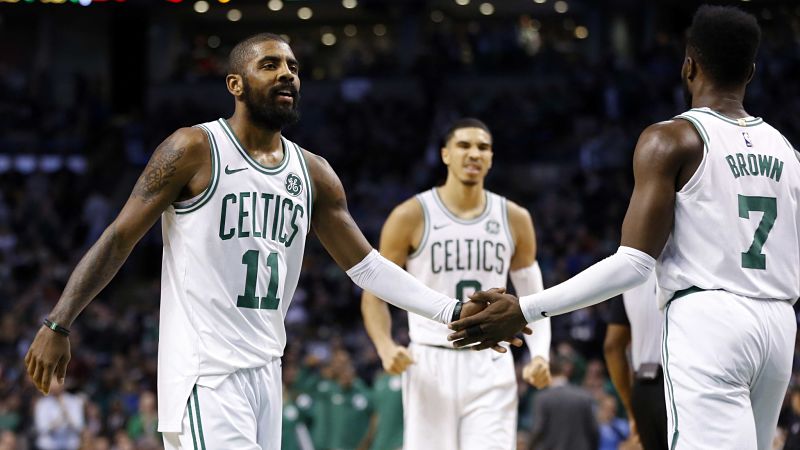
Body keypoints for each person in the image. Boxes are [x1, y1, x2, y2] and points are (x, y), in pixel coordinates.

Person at [23, 33, 507, 450]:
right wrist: (58, 322)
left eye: (293, 67)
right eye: (270, 65)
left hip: (267, 372)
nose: (286, 75)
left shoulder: (314, 173)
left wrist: (452, 310)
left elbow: (368, 267)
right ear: (235, 84)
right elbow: (119, 237)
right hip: (206, 375)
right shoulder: (193, 148)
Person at [449, 6, 799, 449]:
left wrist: (526, 309)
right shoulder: (788, 152)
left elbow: (634, 264)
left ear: (688, 65)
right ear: (750, 72)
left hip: (711, 318)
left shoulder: (672, 138)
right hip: (779, 325)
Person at [361, 118, 552, 449]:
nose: (474, 153)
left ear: (491, 158)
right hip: (430, 360)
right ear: (445, 154)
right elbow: (375, 291)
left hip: (491, 359)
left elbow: (534, 295)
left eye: (483, 147)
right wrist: (385, 346)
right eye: (464, 145)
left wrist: (540, 355)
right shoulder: (410, 215)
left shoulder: (515, 218)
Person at [603, 274, 667, 450]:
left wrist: (630, 409)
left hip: (644, 390)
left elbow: (612, 346)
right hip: (681, 383)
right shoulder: (692, 263)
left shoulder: (632, 271)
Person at [529, 356, 598, 450]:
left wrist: (529, 447)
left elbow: (538, 429)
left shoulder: (542, 398)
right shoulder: (584, 396)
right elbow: (594, 430)